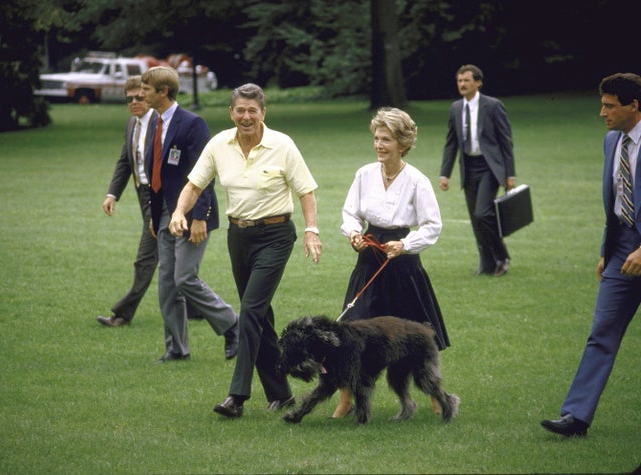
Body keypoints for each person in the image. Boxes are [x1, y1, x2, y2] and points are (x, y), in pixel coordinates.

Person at [168, 83, 322, 418]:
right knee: (261, 316)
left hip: (276, 234)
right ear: (231, 113)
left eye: (253, 110)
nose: (246, 116)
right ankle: (281, 394)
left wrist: (311, 231)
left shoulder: (282, 145)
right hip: (239, 237)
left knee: (250, 311)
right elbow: (194, 185)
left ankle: (236, 396)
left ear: (263, 113)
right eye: (240, 110)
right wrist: (180, 212)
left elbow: (306, 192)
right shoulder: (218, 145)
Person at [541, 73, 641, 437]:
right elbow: (615, 200)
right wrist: (607, 251)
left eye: (610, 106)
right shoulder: (611, 141)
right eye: (602, 104)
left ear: (635, 106)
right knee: (601, 334)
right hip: (620, 251)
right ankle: (575, 417)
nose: (602, 113)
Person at [333, 107, 450, 418]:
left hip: (403, 266)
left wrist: (405, 244)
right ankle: (344, 400)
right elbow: (349, 213)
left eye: (386, 139)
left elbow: (431, 225)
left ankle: (436, 396)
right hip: (368, 261)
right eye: (376, 138)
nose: (379, 145)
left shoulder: (417, 181)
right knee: (350, 331)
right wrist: (354, 233)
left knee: (417, 333)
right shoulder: (364, 174)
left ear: (403, 142)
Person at [140, 66, 239, 362]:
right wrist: (154, 215)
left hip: (193, 213)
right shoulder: (153, 123)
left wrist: (199, 217)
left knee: (184, 278)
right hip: (164, 215)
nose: (141, 93)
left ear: (163, 91)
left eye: (146, 89)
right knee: (167, 284)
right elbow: (156, 174)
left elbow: (205, 174)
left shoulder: (192, 124)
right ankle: (176, 348)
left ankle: (232, 324)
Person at [439, 64, 516, 277]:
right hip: (468, 168)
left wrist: (510, 174)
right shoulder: (455, 108)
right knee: (475, 219)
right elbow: (451, 143)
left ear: (478, 82)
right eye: (459, 81)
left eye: (466, 80)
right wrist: (445, 174)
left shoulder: (493, 106)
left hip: (490, 168)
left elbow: (506, 142)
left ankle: (502, 256)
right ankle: (487, 263)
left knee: (483, 213)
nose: (462, 84)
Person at [96, 76, 159, 328]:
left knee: (145, 257)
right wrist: (112, 194)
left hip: (162, 199)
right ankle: (197, 308)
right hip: (143, 195)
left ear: (150, 97)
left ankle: (123, 313)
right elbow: (125, 161)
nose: (133, 102)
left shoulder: (161, 123)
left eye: (139, 97)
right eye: (129, 98)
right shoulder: (132, 125)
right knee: (174, 259)